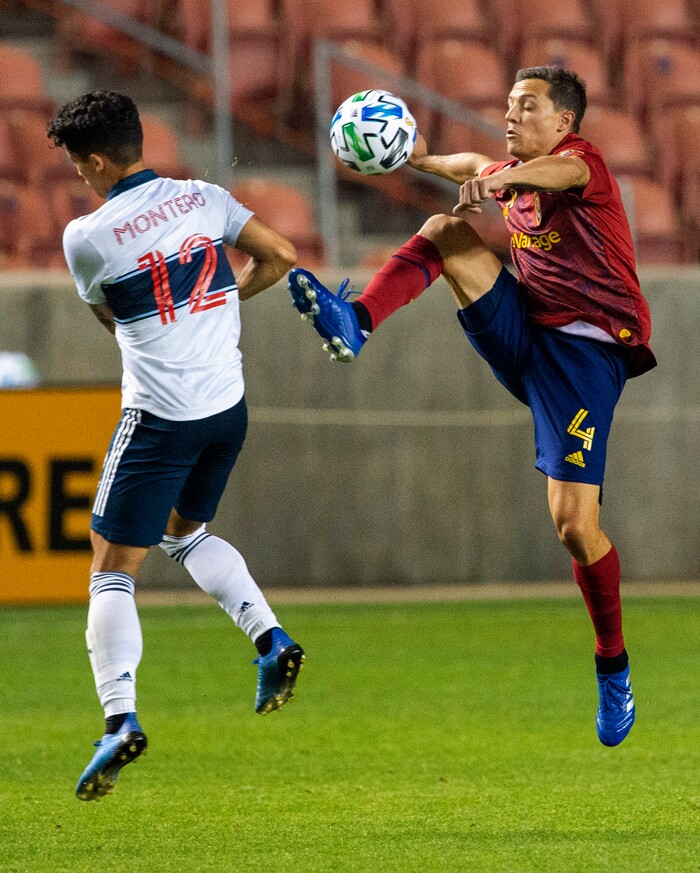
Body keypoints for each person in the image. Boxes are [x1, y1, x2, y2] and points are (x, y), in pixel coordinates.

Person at [288, 67, 656, 747]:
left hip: (585, 359)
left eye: (528, 107)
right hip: (527, 328)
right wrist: (423, 159)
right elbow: (470, 163)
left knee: (575, 526)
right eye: (510, 105)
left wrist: (502, 180)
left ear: (564, 123)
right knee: (446, 231)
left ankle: (613, 663)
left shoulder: (583, 166)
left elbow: (551, 178)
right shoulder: (509, 169)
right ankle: (357, 320)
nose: (511, 116)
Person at [48, 91, 305, 801]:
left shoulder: (86, 236)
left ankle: (118, 717)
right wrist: (222, 299)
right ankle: (270, 637)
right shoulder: (204, 196)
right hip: (228, 407)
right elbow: (282, 255)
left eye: (78, 166)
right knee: (185, 533)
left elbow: (112, 317)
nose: (80, 178)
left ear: (98, 160)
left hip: (160, 419)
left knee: (110, 567)